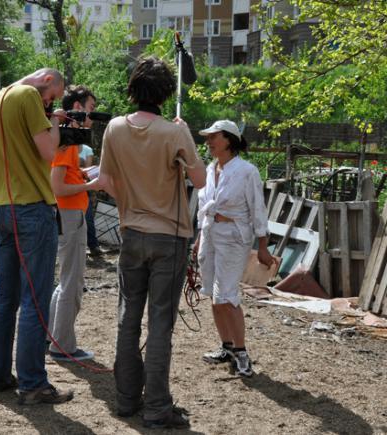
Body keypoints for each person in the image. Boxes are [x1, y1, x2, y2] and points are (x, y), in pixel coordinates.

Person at [97, 56, 206, 429]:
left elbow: (107, 181)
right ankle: (158, 407)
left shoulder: (113, 128)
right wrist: (185, 133)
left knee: (128, 318)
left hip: (131, 233)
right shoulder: (174, 133)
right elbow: (201, 179)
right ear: (165, 93)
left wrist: (130, 204)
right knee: (160, 322)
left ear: (133, 87)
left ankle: (126, 400)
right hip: (169, 236)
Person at [0, 68, 74, 405]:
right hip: (32, 209)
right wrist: (56, 125)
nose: (50, 104)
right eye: (52, 98)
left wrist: (46, 118)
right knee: (35, 301)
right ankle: (34, 384)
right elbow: (50, 153)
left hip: (2, 208)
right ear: (47, 80)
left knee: (4, 295)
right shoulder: (30, 97)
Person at [194, 120, 275, 377]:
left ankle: (241, 352)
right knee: (213, 294)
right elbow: (202, 206)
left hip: (234, 236)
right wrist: (198, 238)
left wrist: (262, 246)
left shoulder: (247, 171)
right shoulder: (209, 169)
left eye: (213, 137)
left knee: (227, 295)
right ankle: (227, 346)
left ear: (228, 139)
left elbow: (257, 210)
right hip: (210, 234)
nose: (209, 141)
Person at [47, 85, 100, 362]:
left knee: (65, 280)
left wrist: (81, 174)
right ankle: (63, 346)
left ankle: (52, 337)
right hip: (69, 215)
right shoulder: (67, 141)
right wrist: (92, 184)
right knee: (72, 283)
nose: (93, 115)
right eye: (90, 109)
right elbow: (57, 186)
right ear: (77, 109)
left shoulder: (66, 138)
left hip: (69, 215)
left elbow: (63, 177)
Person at [79, 144, 103, 256]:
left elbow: (86, 173)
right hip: (70, 187)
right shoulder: (63, 148)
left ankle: (93, 245)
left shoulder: (87, 149)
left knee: (88, 218)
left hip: (82, 187)